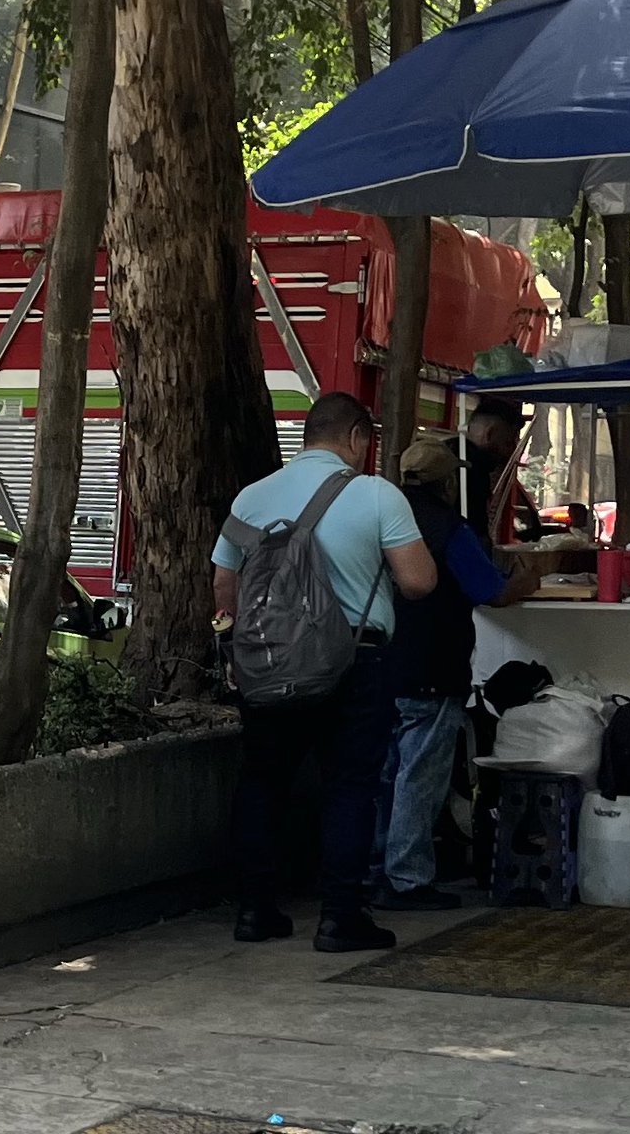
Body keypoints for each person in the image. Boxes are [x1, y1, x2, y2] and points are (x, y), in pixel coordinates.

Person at [211, 392, 437, 953]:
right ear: (358, 437)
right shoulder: (376, 495)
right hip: (356, 662)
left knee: (263, 780)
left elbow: (223, 583)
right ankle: (340, 918)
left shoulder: (252, 497)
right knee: (350, 787)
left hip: (269, 662)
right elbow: (419, 582)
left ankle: (255, 911)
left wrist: (238, 651)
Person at [373, 439, 539, 910]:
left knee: (385, 775)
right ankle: (407, 879)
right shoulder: (449, 528)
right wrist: (525, 581)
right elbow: (491, 592)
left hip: (382, 665)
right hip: (433, 667)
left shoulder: (382, 520)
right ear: (447, 483)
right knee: (419, 777)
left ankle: (374, 869)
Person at [452, 398, 537, 548]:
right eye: (508, 443)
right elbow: (475, 528)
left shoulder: (454, 455)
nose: (511, 450)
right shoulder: (472, 470)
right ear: (489, 434)